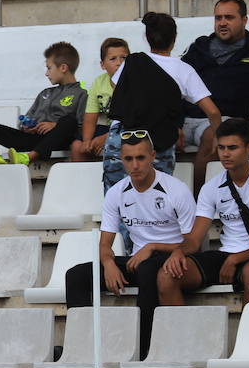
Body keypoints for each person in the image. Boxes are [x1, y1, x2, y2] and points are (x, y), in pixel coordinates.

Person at [66, 131, 196, 356]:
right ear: (121, 160)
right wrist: (108, 265)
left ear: (153, 156)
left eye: (141, 158)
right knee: (76, 275)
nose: (135, 165)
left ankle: (144, 349)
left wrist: (153, 247)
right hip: (139, 260)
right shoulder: (117, 193)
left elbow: (193, 243)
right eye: (128, 159)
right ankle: (83, 347)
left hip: (172, 258)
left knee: (146, 269)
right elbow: (105, 243)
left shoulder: (176, 189)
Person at [105, 12, 220, 191]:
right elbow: (212, 111)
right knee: (158, 200)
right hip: (157, 141)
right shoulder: (183, 70)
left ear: (147, 37)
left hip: (121, 140)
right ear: (174, 38)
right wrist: (217, 138)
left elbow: (115, 84)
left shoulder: (132, 62)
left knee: (118, 198)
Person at [158, 118, 249, 307]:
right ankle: (184, 336)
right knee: (167, 275)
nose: (225, 154)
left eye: (232, 148)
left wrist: (236, 259)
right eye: (221, 148)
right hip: (225, 254)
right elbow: (194, 239)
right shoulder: (211, 187)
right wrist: (178, 252)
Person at [181, 0, 249, 193]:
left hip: (225, 120)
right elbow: (173, 81)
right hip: (184, 119)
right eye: (218, 18)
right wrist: (174, 123)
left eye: (229, 17)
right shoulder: (198, 47)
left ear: (244, 20)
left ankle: (199, 205)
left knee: (214, 136)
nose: (222, 23)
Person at [0, 42, 87, 165]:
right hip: (32, 140)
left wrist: (55, 126)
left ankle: (29, 157)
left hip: (56, 141)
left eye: (49, 68)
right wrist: (27, 127)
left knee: (69, 121)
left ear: (63, 68)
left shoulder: (81, 94)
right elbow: (27, 120)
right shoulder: (45, 93)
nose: (46, 73)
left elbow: (82, 129)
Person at [74, 37, 129, 162]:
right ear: (102, 65)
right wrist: (87, 141)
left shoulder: (134, 82)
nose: (119, 62)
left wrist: (105, 138)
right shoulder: (99, 82)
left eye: (124, 58)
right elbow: (90, 117)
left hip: (129, 128)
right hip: (107, 128)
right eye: (113, 59)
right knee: (77, 146)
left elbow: (133, 120)